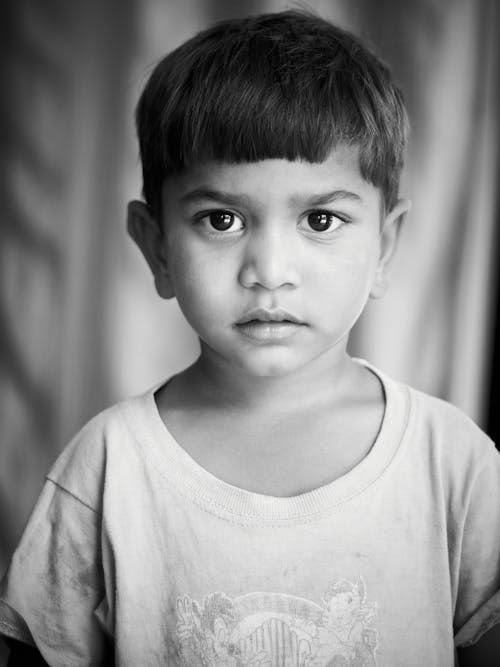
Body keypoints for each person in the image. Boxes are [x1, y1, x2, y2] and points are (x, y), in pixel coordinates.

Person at [0, 10, 499, 667]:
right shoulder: (107, 466)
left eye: (320, 218)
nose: (269, 272)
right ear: (156, 249)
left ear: (384, 246)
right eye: (222, 218)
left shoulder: (453, 460)